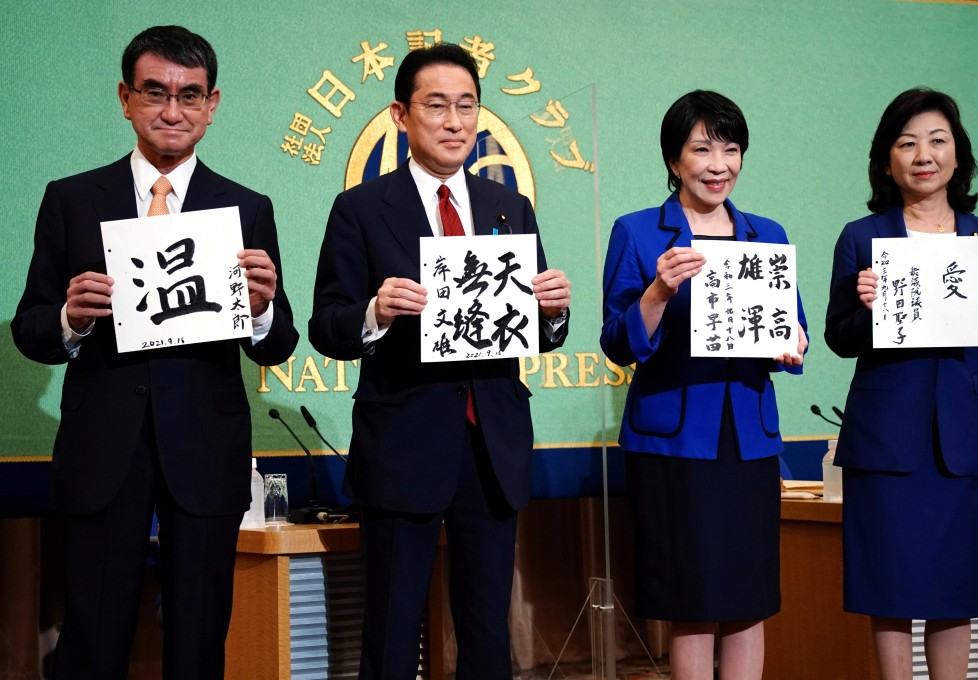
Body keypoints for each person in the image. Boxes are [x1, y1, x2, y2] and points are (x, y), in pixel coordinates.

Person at [11, 25, 298, 680]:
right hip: (102, 449)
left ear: (213, 104)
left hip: (206, 450)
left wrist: (261, 311)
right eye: (156, 92)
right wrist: (68, 319)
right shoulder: (73, 199)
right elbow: (30, 329)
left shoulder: (248, 208)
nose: (173, 110)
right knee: (93, 639)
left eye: (190, 95)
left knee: (199, 640)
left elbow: (280, 344)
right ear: (125, 98)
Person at [308, 43, 571, 680]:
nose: (455, 122)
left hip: (490, 444)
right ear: (401, 115)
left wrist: (554, 310)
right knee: (394, 626)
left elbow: (538, 328)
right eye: (436, 106)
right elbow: (327, 325)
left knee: (486, 629)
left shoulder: (510, 207)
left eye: (467, 106)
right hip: (403, 440)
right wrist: (375, 311)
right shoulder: (362, 209)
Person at [600, 90, 807, 680]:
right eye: (702, 149)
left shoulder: (766, 234)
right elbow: (617, 342)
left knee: (749, 601)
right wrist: (658, 292)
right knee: (690, 602)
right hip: (672, 440)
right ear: (674, 160)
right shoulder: (640, 233)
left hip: (748, 436)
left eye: (731, 149)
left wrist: (794, 342)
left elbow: (794, 328)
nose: (719, 165)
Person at [825, 87, 978, 680]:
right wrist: (864, 309)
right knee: (888, 586)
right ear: (887, 161)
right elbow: (837, 336)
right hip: (886, 438)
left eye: (938, 141)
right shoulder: (862, 237)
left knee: (955, 587)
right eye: (906, 143)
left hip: (960, 439)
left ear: (959, 156)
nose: (923, 154)